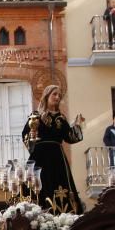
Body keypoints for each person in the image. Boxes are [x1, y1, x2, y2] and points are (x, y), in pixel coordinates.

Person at [21, 84, 86, 214]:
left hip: (57, 157)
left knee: (59, 184)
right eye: (54, 94)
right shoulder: (36, 115)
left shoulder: (61, 118)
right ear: (47, 96)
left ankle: (62, 214)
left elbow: (70, 138)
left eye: (59, 95)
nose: (57, 97)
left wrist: (77, 125)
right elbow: (26, 135)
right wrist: (32, 138)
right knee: (38, 183)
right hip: (40, 155)